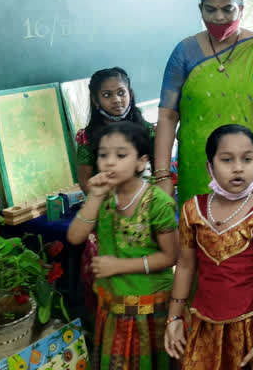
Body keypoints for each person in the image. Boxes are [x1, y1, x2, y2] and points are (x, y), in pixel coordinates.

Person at [154, 0, 253, 286]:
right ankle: (201, 328)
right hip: (199, 174)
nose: (219, 17)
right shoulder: (184, 53)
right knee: (200, 258)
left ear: (242, 8)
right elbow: (167, 116)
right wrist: (163, 176)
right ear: (200, 9)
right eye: (211, 10)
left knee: (252, 262)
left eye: (228, 9)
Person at [164, 125, 253, 369]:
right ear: (209, 167)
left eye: (247, 159)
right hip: (207, 322)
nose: (238, 167)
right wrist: (174, 317)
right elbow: (185, 266)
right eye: (226, 159)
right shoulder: (193, 211)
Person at [67, 122, 178, 370]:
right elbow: (75, 237)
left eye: (121, 155)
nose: (109, 162)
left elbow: (171, 256)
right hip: (113, 304)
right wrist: (94, 196)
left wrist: (118, 265)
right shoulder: (104, 196)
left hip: (149, 307)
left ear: (141, 162)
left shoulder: (157, 202)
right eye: (103, 155)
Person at [75, 67, 154, 194]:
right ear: (96, 101)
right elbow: (85, 182)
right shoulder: (88, 137)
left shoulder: (148, 130)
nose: (116, 100)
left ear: (131, 94)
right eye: (107, 95)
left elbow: (160, 170)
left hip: (147, 202)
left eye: (121, 93)